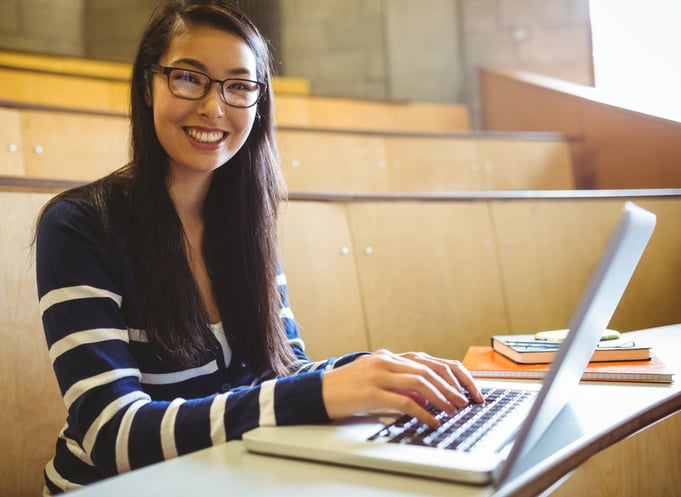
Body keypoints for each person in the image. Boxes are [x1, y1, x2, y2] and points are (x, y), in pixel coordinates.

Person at [34, 0, 483, 494]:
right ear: (147, 85)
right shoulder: (80, 224)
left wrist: (378, 372)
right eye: (189, 77)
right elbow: (111, 433)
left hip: (226, 480)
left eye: (239, 86)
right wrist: (321, 393)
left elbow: (283, 370)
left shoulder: (243, 223)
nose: (214, 106)